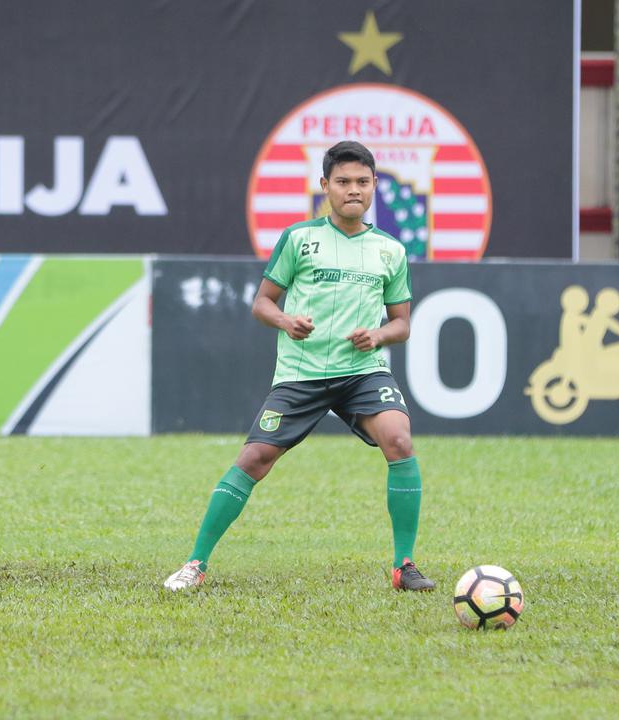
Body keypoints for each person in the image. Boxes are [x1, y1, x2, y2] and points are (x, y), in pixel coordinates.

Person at [163, 140, 435, 592]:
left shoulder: (390, 250)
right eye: (344, 182)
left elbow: (402, 323)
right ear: (325, 186)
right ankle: (195, 563)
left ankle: (404, 565)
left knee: (400, 440)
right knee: (255, 458)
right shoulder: (299, 239)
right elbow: (262, 303)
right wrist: (286, 320)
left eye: (363, 182)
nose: (354, 190)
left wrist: (379, 335)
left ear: (374, 187)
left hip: (362, 371)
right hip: (301, 374)